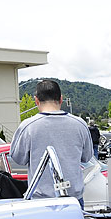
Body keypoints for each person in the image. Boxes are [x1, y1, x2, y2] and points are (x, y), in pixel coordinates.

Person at [10, 79, 93, 207]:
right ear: (61, 99)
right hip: (74, 200)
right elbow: (86, 157)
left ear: (36, 100)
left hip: (40, 201)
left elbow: (18, 159)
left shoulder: (28, 127)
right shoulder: (80, 124)